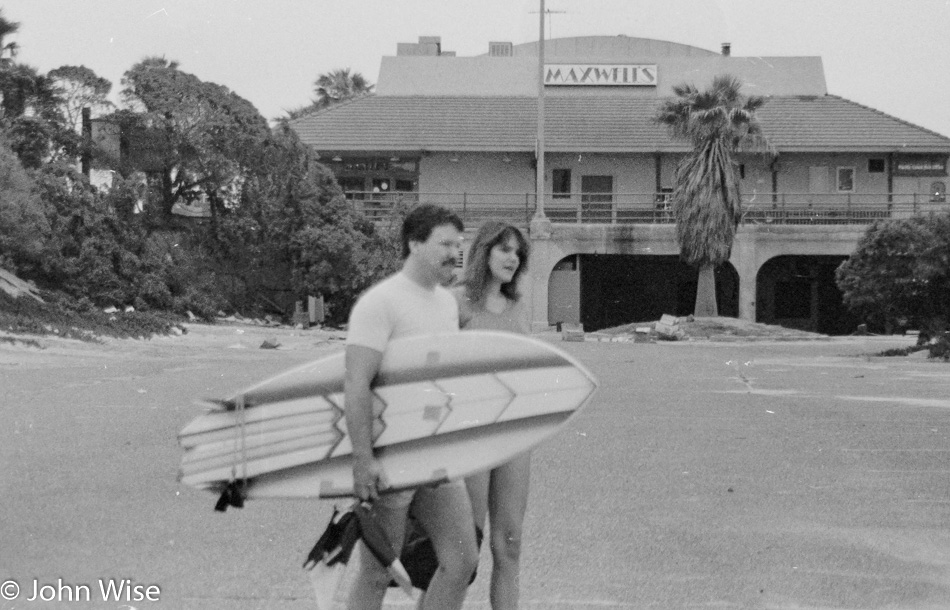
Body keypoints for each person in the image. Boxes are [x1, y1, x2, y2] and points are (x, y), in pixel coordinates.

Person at [342, 204, 480, 610]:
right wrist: (363, 458)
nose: (455, 252)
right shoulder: (380, 303)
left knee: (462, 561)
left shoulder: (446, 304)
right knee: (377, 569)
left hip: (434, 454)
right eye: (444, 244)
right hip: (392, 457)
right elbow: (356, 382)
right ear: (414, 243)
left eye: (458, 244)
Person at [455, 221, 533, 610]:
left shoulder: (518, 307)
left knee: (510, 543)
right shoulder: (455, 303)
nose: (512, 258)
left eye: (517, 252)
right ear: (483, 252)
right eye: (503, 249)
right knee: (464, 549)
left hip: (514, 433)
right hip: (469, 433)